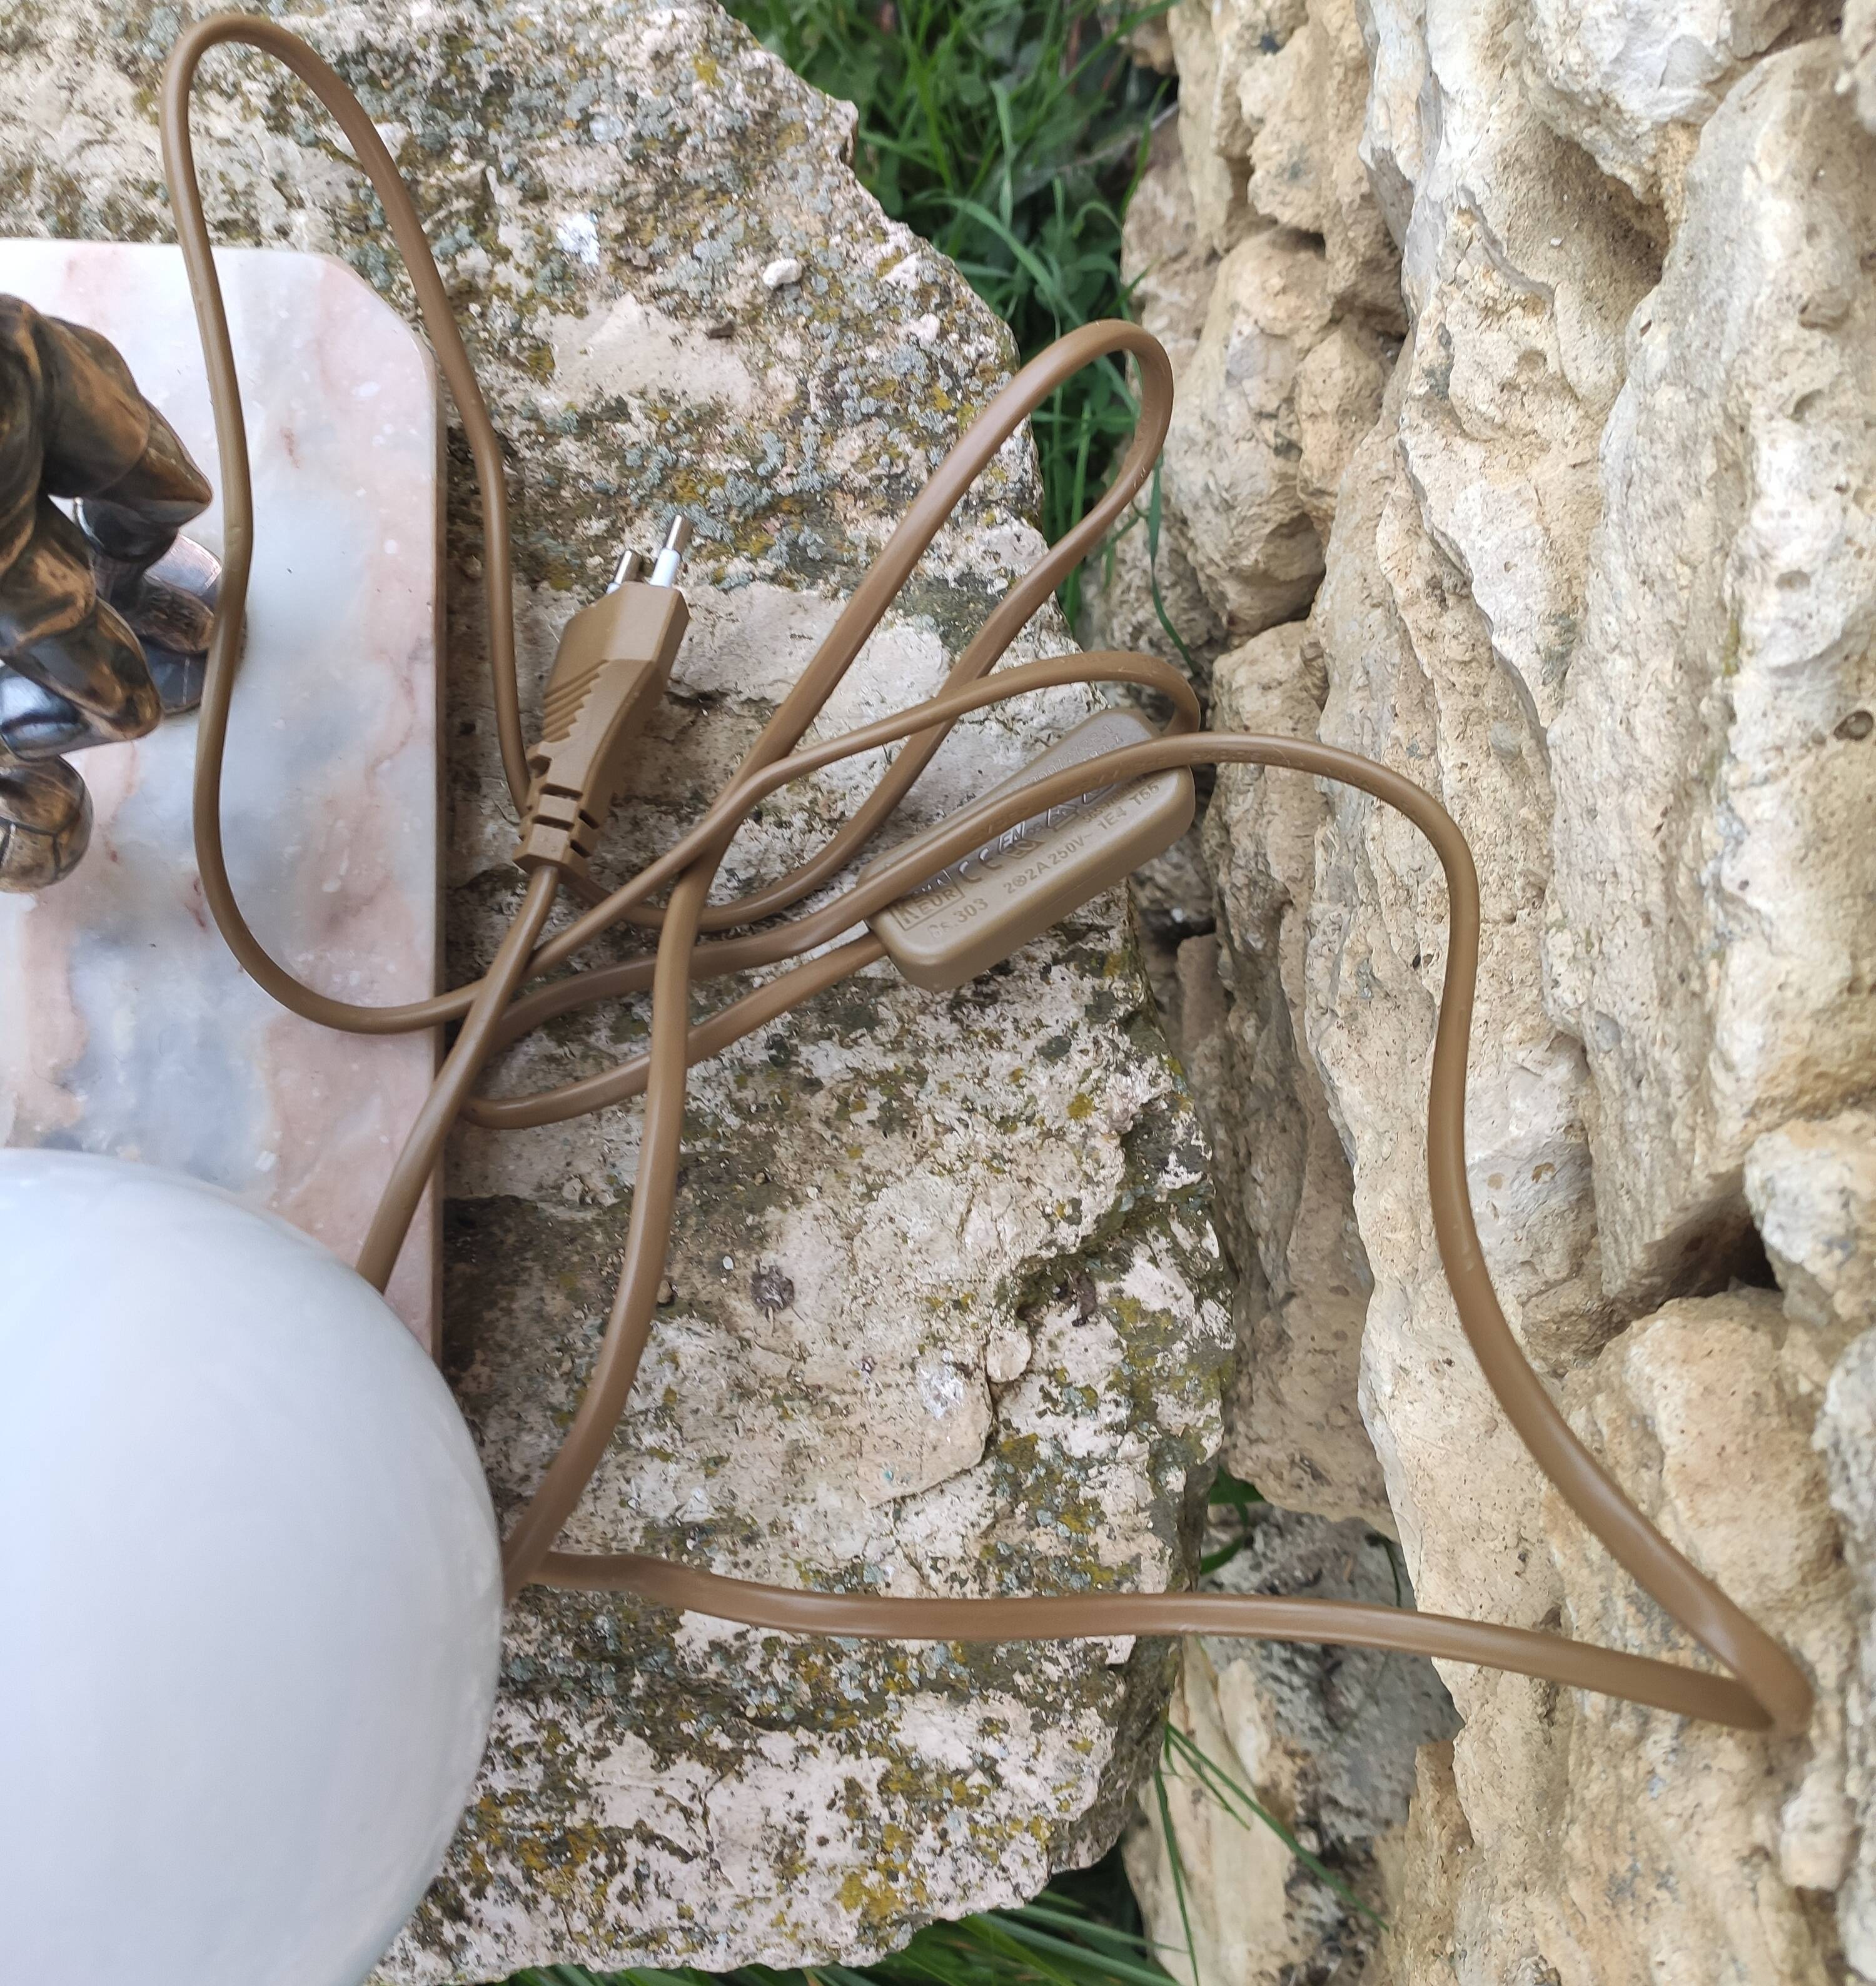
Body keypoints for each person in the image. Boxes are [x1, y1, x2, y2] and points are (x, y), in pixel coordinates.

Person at [0, 295, 216, 889]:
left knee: (173, 494)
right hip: (8, 567)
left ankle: (121, 590)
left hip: (24, 364)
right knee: (127, 707)